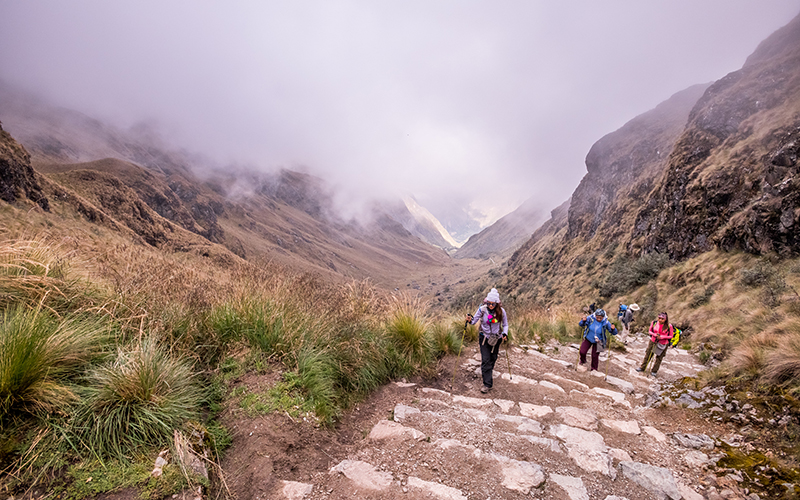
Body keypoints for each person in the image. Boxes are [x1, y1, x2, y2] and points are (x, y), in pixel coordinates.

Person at [466, 288, 508, 393]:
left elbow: (505, 325)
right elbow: (474, 321)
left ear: (497, 303)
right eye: (489, 303)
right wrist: (469, 320)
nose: (490, 305)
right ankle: (487, 384)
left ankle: (488, 371)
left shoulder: (501, 312)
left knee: (493, 358)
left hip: (496, 339)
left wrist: (504, 334)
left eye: (493, 304)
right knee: (485, 360)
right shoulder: (482, 309)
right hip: (484, 338)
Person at [636, 311, 674, 377]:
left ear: (665, 319)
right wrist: (655, 335)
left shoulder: (669, 326)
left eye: (662, 319)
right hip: (653, 341)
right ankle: (642, 367)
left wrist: (661, 337)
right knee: (648, 354)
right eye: (659, 318)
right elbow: (650, 331)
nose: (660, 320)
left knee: (659, 358)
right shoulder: (654, 323)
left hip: (663, 343)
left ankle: (654, 371)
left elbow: (671, 336)